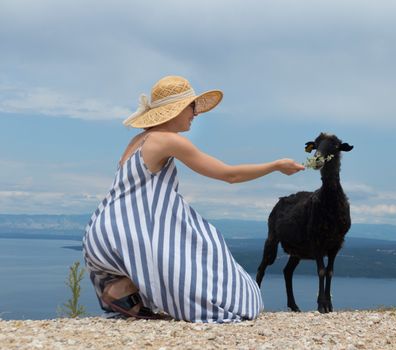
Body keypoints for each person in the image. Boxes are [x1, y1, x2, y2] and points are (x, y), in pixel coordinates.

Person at [82, 75, 304, 322]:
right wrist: (274, 165)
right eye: (191, 106)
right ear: (174, 109)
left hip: (101, 232)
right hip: (129, 234)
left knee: (178, 229)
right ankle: (133, 290)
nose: (196, 113)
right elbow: (229, 175)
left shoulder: (138, 140)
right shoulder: (168, 140)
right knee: (207, 244)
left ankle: (122, 290)